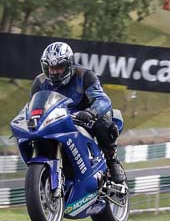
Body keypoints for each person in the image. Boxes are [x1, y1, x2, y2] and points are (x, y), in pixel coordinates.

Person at [31, 41, 126, 184]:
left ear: (69, 65)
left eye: (59, 67)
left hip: (86, 117)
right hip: (58, 120)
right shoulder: (40, 82)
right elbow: (34, 106)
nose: (55, 72)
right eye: (51, 68)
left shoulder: (85, 75)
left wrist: (91, 112)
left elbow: (103, 100)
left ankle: (112, 161)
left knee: (103, 125)